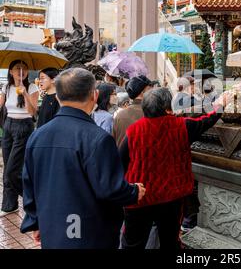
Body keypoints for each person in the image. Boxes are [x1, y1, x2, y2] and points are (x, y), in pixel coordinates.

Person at [20, 68, 146, 249]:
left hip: (52, 225)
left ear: (57, 97)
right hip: (89, 231)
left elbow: (29, 185)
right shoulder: (98, 138)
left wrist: (35, 221)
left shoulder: (38, 136)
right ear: (94, 95)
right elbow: (110, 188)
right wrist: (134, 191)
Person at [119, 87, 232, 249]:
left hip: (139, 197)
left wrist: (126, 190)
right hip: (171, 197)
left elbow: (120, 162)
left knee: (133, 243)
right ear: (168, 107)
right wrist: (220, 105)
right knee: (170, 241)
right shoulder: (182, 126)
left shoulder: (134, 130)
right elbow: (207, 121)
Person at [0, 60, 39, 216]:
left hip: (24, 126)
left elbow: (32, 112)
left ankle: (33, 200)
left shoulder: (32, 87)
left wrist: (25, 94)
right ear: (11, 71)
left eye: (23, 69)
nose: (20, 71)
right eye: (17, 68)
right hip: (8, 126)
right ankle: (9, 205)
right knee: (7, 170)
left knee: (11, 170)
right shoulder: (7, 87)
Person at [112, 76, 156, 148]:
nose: (153, 93)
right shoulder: (151, 113)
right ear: (142, 93)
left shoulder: (119, 115)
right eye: (150, 90)